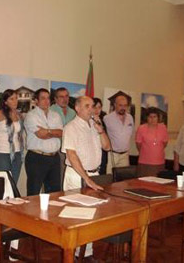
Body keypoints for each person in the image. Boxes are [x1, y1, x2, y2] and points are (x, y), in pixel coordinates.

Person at [62, 96, 110, 260]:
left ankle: (87, 253)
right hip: (77, 175)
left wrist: (100, 129)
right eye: (87, 106)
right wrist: (87, 179)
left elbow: (107, 147)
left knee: (91, 216)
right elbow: (71, 155)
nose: (91, 109)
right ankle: (72, 253)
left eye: (92, 106)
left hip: (93, 174)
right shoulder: (71, 127)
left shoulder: (93, 125)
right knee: (75, 216)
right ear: (77, 108)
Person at [24, 88, 63, 195]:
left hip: (54, 158)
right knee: (34, 192)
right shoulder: (31, 115)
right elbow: (41, 135)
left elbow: (61, 133)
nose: (46, 101)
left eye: (48, 98)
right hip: (37, 158)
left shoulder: (56, 115)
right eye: (43, 98)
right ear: (36, 100)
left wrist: (47, 131)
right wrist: (52, 132)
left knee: (55, 193)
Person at [0, 89, 24, 184]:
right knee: (3, 184)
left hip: (17, 153)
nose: (15, 101)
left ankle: (10, 199)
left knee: (13, 184)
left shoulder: (19, 115)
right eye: (12, 99)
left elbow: (19, 134)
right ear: (5, 101)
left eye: (16, 98)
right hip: (2, 153)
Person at [50, 87, 76, 186]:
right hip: (55, 151)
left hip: (70, 150)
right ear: (55, 99)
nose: (65, 99)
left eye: (66, 96)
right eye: (61, 97)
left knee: (68, 179)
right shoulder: (51, 111)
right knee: (57, 180)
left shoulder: (73, 112)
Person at [136, 107, 168, 177]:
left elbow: (165, 143)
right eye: (150, 117)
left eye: (154, 117)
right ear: (147, 118)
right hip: (145, 162)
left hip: (159, 162)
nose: (152, 119)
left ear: (158, 118)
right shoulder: (141, 128)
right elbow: (139, 145)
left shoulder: (163, 128)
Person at [104, 93, 134, 167]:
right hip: (112, 155)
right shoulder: (107, 118)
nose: (123, 108)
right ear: (115, 105)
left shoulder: (130, 118)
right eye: (120, 105)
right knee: (110, 177)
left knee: (124, 178)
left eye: (125, 105)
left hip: (125, 155)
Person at [93, 97, 108, 175]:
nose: (97, 110)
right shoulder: (87, 122)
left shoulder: (102, 121)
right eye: (95, 107)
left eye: (99, 107)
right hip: (93, 155)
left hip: (103, 154)